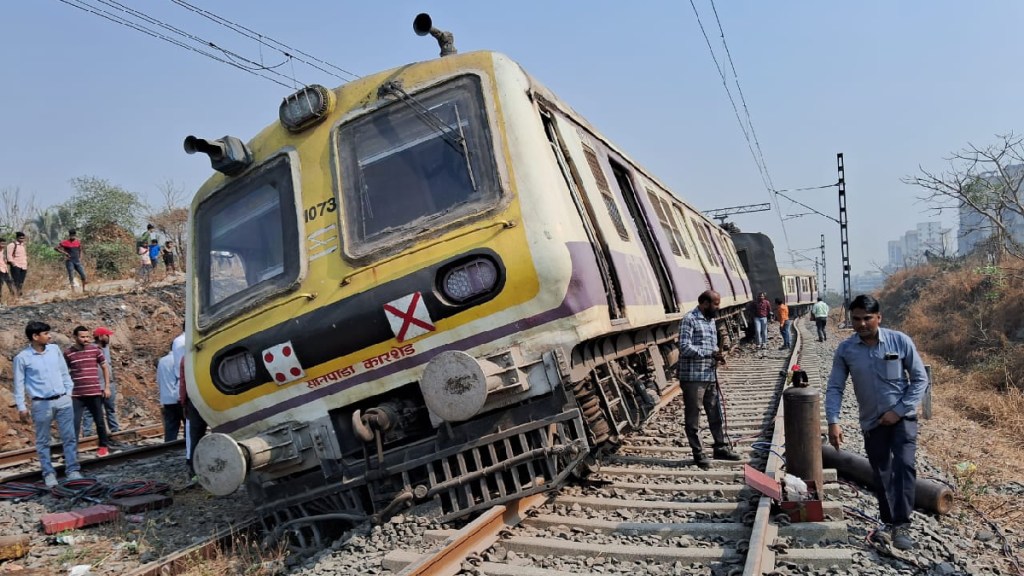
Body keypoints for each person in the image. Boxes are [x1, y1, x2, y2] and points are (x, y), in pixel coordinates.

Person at [825, 295, 928, 551]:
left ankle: (902, 524)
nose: (861, 324)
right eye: (856, 319)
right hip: (871, 422)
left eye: (867, 318)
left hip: (902, 418)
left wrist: (900, 410)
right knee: (881, 472)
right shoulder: (846, 350)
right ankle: (889, 521)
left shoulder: (899, 341)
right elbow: (835, 387)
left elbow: (920, 379)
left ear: (878, 318)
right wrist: (833, 421)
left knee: (904, 466)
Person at [12, 321, 82, 487]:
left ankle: (72, 470)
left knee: (69, 437)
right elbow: (18, 384)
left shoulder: (54, 350)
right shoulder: (22, 358)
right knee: (43, 441)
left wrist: (69, 391)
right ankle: (49, 473)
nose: (49, 336)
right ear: (35, 337)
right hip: (41, 404)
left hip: (63, 400)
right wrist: (21, 407)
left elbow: (64, 372)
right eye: (45, 333)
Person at [678, 290, 742, 469]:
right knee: (694, 416)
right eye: (715, 303)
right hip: (693, 377)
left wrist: (716, 355)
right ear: (704, 303)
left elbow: (712, 345)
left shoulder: (711, 320)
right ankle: (698, 453)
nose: (718, 307)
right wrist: (708, 353)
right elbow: (684, 347)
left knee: (715, 412)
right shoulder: (689, 319)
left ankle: (720, 447)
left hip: (709, 374)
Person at [64, 326, 112, 457]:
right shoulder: (68, 353)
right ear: (75, 337)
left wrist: (107, 387)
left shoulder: (95, 350)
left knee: (99, 421)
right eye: (82, 337)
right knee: (74, 423)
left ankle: (103, 446)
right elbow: (63, 372)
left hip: (94, 392)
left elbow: (104, 367)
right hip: (76, 394)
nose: (85, 339)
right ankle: (72, 451)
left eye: (87, 337)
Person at [83, 326, 121, 439]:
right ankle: (87, 434)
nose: (109, 337)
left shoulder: (106, 347)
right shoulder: (90, 349)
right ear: (100, 337)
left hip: (109, 384)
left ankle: (115, 431)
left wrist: (108, 384)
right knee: (90, 410)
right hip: (96, 385)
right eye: (107, 335)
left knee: (110, 409)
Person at [156, 352, 183, 441]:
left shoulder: (162, 361)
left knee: (171, 428)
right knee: (188, 425)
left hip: (167, 399)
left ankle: (170, 450)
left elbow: (159, 380)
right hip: (179, 398)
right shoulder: (179, 359)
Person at [6, 232, 28, 297]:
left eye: (23, 238)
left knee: (21, 281)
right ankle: (16, 294)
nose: (22, 239)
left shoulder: (23, 245)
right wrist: (13, 264)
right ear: (17, 238)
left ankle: (19, 292)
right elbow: (9, 255)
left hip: (24, 266)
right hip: (16, 265)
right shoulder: (12, 245)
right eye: (21, 238)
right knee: (16, 280)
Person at [0, 237, 16, 304]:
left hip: (5, 269)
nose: (3, 245)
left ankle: (13, 298)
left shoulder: (3, 251)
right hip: (0, 270)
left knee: (10, 283)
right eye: (2, 243)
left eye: (4, 243)